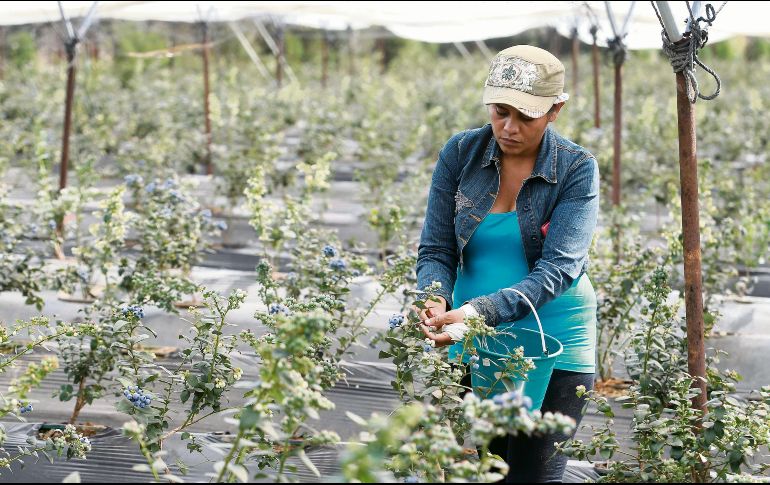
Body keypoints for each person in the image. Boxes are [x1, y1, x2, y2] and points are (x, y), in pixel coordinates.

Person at [415, 45, 599, 483]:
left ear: (555, 110)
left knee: (532, 474)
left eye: (525, 117)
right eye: (500, 112)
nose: (509, 128)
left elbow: (559, 269)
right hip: (473, 338)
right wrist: (435, 298)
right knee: (488, 467)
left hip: (552, 338)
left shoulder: (576, 168)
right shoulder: (461, 153)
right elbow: (436, 249)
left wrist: (478, 313)